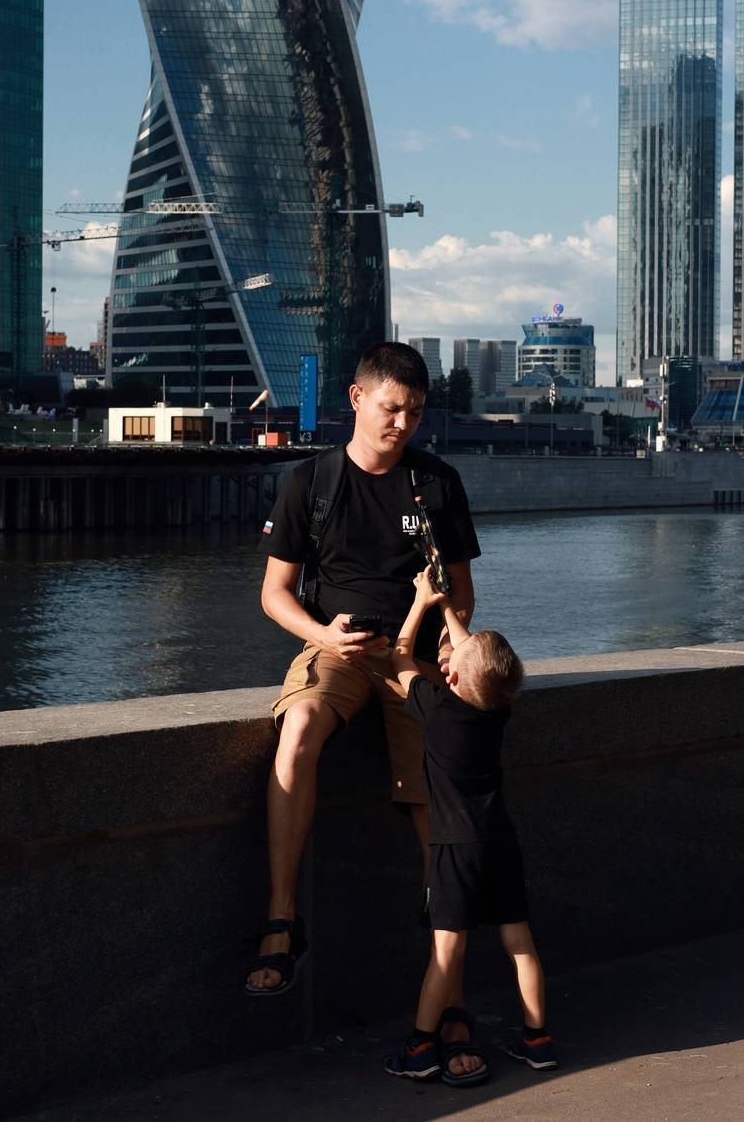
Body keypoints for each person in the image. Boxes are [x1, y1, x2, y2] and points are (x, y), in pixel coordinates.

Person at [244, 343, 482, 1069]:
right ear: (356, 399)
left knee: (436, 815)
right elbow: (274, 595)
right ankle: (283, 920)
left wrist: (448, 646)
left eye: (415, 412)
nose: (403, 424)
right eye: (391, 408)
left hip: (415, 659)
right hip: (336, 650)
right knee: (298, 730)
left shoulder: (436, 483)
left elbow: (461, 594)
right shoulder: (310, 482)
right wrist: (324, 636)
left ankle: (449, 1000)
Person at [384, 567, 557, 1088]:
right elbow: (475, 660)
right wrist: (446, 607)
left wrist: (419, 604)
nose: (447, 657)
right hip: (500, 840)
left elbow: (399, 657)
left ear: (453, 679)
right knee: (521, 944)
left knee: (446, 952)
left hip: (454, 849)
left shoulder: (437, 711)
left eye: (452, 662)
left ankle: (420, 1046)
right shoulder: (497, 708)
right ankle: (538, 1039)